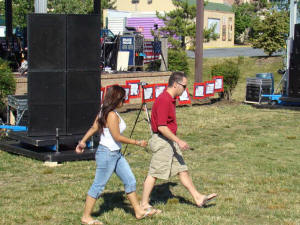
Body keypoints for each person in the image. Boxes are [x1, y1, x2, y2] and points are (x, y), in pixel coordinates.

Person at [76, 85, 159, 225]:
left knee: (130, 180)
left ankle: (138, 211)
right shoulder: (111, 115)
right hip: (107, 154)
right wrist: (137, 142)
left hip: (116, 154)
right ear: (116, 99)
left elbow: (94, 127)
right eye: (123, 99)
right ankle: (86, 217)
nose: (124, 102)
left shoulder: (105, 110)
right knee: (98, 185)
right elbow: (117, 137)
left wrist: (83, 142)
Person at [140, 72, 217, 211]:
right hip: (163, 142)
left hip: (170, 141)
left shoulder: (170, 99)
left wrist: (175, 141)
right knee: (154, 173)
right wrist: (179, 141)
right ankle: (144, 204)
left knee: (183, 170)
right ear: (175, 84)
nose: (185, 89)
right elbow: (162, 127)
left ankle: (198, 198)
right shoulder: (164, 100)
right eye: (184, 86)